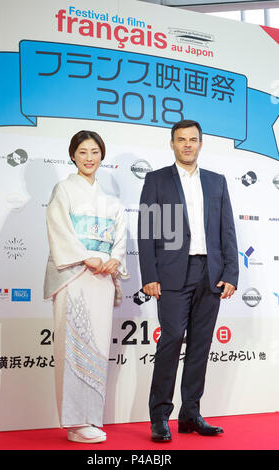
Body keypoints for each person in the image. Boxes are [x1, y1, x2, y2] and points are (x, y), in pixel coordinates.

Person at [138, 120, 238, 441]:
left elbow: (227, 232)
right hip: (171, 276)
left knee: (200, 345)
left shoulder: (216, 182)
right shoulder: (157, 181)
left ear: (200, 143)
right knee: (170, 341)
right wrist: (150, 275)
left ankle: (191, 414)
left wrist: (231, 273)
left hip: (210, 273)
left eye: (193, 140)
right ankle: (159, 416)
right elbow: (148, 232)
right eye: (181, 140)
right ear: (172, 144)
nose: (187, 145)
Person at [44, 130, 128, 443]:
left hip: (102, 279)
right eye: (82, 152)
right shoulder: (63, 190)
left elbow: (119, 240)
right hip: (75, 276)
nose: (89, 158)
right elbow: (59, 231)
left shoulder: (111, 202)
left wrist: (114, 260)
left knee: (97, 347)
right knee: (74, 345)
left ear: (101, 155)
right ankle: (75, 422)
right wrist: (86, 257)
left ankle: (91, 417)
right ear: (72, 156)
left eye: (94, 152)